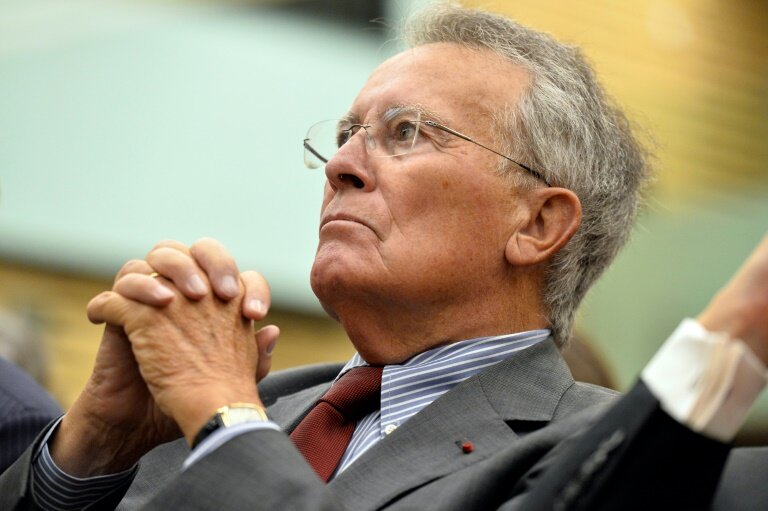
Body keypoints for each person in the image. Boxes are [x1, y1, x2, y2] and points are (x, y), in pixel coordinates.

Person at [1, 5, 766, 510]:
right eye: (344, 134)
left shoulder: (604, 457)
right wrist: (86, 455)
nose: (341, 166)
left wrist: (222, 414)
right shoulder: (230, 409)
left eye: (406, 133)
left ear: (538, 223)